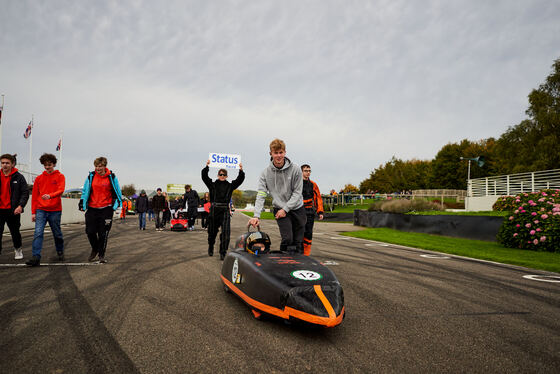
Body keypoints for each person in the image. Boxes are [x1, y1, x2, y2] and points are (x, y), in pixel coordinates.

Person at [248, 139, 305, 253]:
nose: (278, 156)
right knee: (288, 238)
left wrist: (286, 209)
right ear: (271, 153)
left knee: (298, 241)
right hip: (279, 209)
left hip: (297, 208)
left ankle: (297, 267)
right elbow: (261, 194)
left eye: (281, 152)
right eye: (276, 153)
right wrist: (256, 215)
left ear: (285, 152)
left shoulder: (296, 169)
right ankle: (283, 265)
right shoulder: (265, 173)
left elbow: (297, 193)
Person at [79, 156, 122, 263]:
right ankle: (95, 248)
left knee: (103, 233)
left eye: (100, 166)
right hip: (92, 208)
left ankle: (101, 255)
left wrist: (118, 205)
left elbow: (117, 191)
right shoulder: (91, 176)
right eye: (96, 166)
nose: (98, 168)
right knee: (90, 232)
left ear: (104, 166)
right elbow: (85, 191)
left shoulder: (111, 177)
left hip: (106, 209)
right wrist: (82, 201)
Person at [26, 153, 66, 266]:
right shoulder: (39, 179)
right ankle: (36, 257)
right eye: (45, 165)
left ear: (54, 164)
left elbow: (61, 190)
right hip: (41, 210)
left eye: (49, 164)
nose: (47, 167)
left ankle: (60, 251)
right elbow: (34, 197)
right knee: (38, 233)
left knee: (57, 233)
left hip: (55, 210)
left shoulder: (60, 176)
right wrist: (33, 212)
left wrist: (50, 195)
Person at [202, 161, 244, 259]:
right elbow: (204, 177)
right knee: (212, 232)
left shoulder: (230, 186)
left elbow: (239, 180)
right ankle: (211, 246)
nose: (222, 176)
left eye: (224, 175)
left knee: (226, 233)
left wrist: (240, 170)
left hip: (225, 209)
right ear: (218, 175)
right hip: (214, 210)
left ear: (226, 176)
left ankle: (223, 252)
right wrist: (207, 166)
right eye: (220, 174)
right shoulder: (212, 185)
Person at [0, 154, 29, 260]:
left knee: (15, 232)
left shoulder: (19, 177)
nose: (4, 165)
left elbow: (25, 193)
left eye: (7, 163)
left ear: (12, 164)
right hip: (0, 210)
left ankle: (18, 249)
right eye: (3, 163)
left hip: (13, 210)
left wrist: (20, 206)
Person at [301, 164, 324, 256]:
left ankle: (306, 255)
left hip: (310, 212)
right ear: (301, 172)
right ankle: (298, 254)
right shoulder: (296, 183)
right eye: (306, 171)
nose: (308, 172)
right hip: (299, 211)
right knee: (298, 233)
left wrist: (320, 211)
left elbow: (318, 198)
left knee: (308, 233)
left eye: (309, 171)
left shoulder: (313, 184)